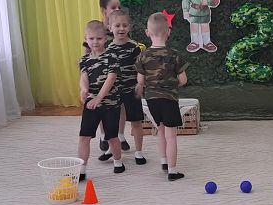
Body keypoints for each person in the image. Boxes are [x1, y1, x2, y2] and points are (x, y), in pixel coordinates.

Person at [134, 13, 189, 181]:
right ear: (168, 32)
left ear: (147, 32)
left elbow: (140, 81)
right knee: (171, 136)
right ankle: (172, 171)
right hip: (169, 99)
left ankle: (164, 161)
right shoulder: (174, 54)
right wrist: (172, 85)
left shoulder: (142, 56)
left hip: (151, 100)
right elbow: (183, 80)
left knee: (161, 129)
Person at [77, 21, 124, 181]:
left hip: (110, 104)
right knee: (84, 137)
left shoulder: (112, 57)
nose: (95, 42)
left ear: (105, 39)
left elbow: (111, 78)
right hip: (91, 104)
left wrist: (99, 97)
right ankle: (81, 170)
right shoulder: (84, 60)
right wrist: (84, 89)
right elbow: (84, 77)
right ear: (86, 39)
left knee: (112, 136)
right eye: (91, 39)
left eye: (99, 38)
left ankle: (118, 161)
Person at [102, 10, 146, 166]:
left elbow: (141, 68)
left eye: (125, 25)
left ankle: (138, 152)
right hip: (114, 91)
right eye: (117, 25)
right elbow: (105, 70)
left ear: (129, 27)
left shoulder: (134, 47)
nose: (121, 28)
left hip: (131, 89)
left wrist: (141, 84)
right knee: (112, 121)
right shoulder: (107, 48)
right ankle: (112, 148)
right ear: (110, 27)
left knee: (136, 121)